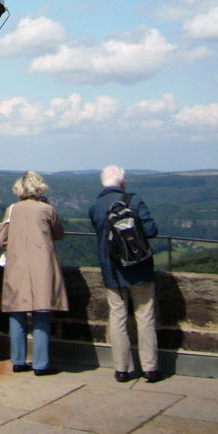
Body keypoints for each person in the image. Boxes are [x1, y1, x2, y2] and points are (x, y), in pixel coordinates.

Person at [88, 164, 161, 383]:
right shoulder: (134, 201)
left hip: (113, 271)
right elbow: (151, 230)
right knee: (145, 317)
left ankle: (121, 369)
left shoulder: (95, 206)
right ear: (122, 182)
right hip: (139, 268)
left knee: (117, 319)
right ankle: (150, 368)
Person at [0, 170, 68, 375]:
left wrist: (14, 246)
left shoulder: (12, 210)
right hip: (42, 266)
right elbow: (59, 233)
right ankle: (40, 363)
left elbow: (0, 239)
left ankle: (18, 361)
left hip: (17, 266)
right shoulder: (47, 209)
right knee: (41, 313)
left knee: (16, 312)